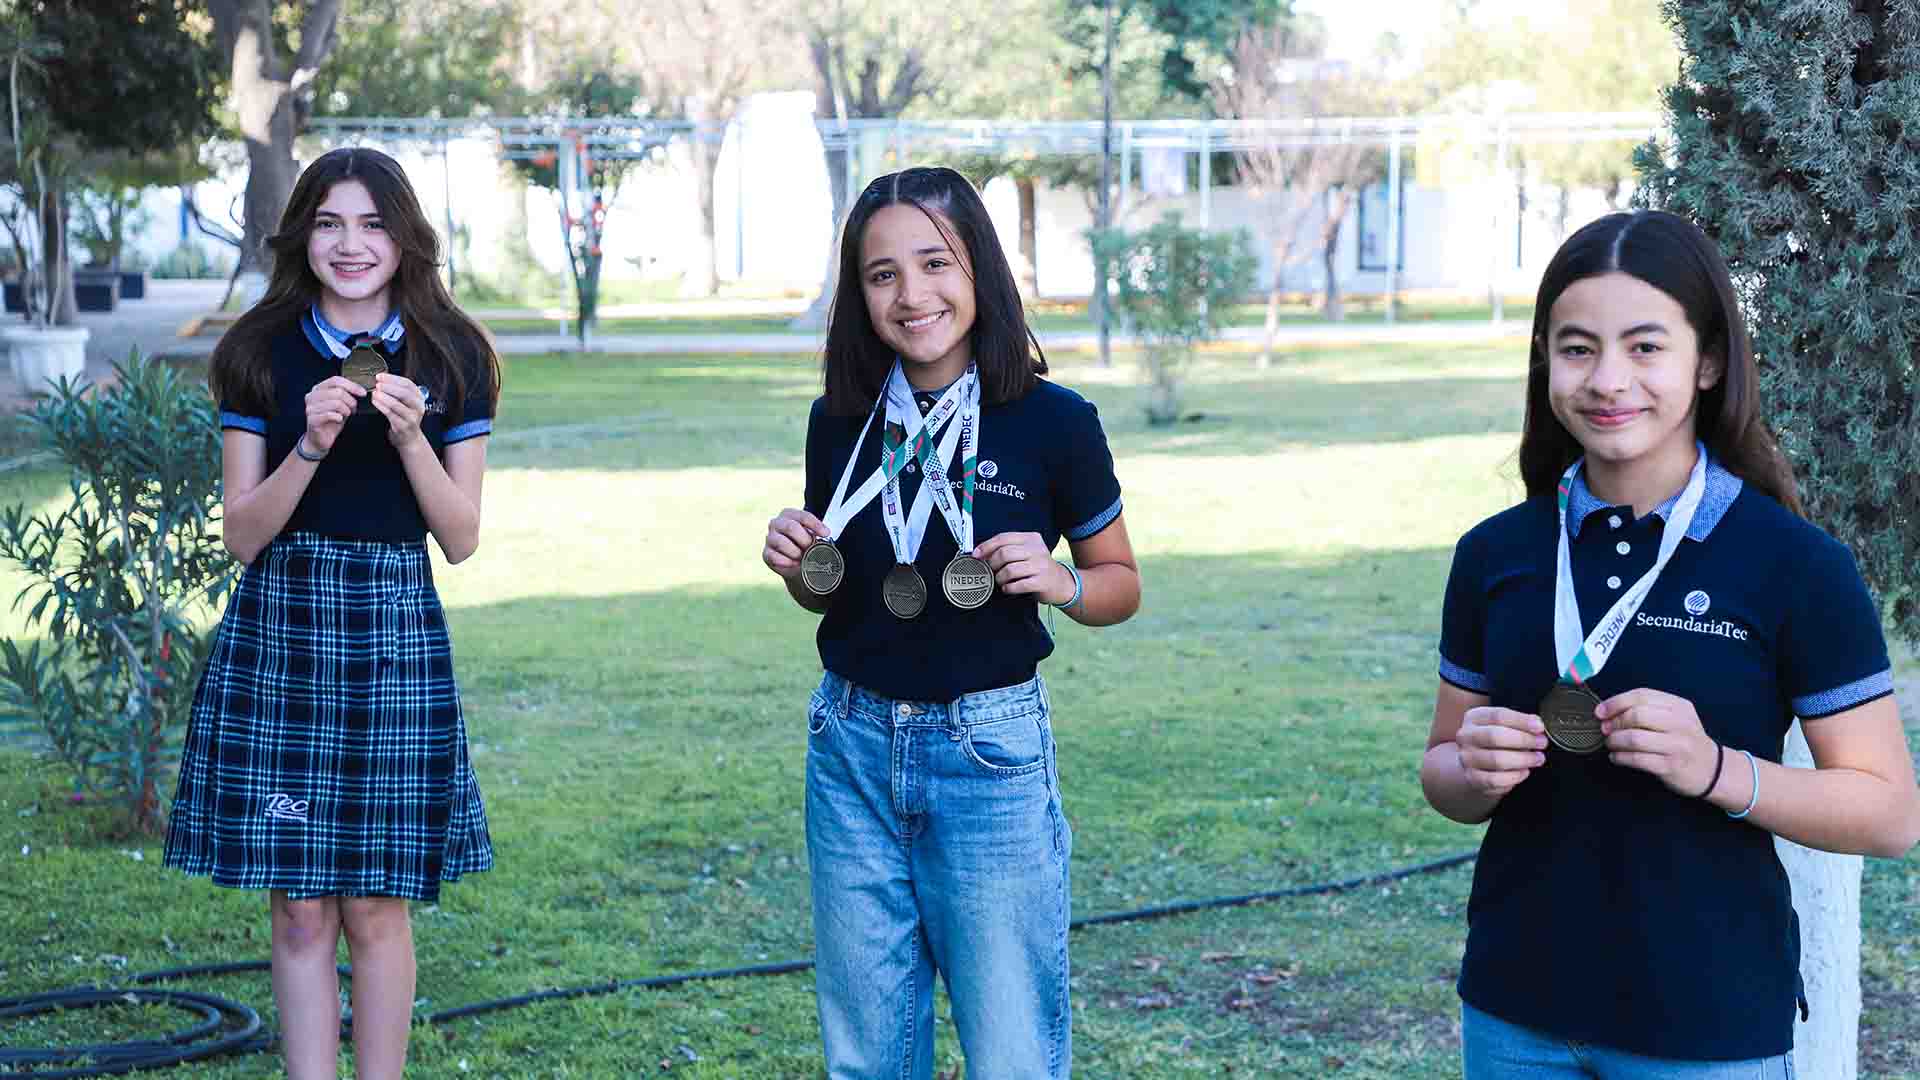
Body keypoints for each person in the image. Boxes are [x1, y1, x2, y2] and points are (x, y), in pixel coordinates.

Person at [1422, 209, 1920, 1077]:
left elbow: (1889, 814)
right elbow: (1443, 776)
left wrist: (1716, 770)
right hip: (1513, 1013)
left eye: (1646, 347)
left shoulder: (1796, 565)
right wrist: (1472, 768)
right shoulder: (1495, 554)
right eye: (1577, 349)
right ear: (1546, 361)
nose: (1609, 378)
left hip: (1707, 1026)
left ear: (1709, 362)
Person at [760, 166, 1141, 1079]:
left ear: (980, 271)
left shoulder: (1056, 422)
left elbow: (1120, 582)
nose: (912, 293)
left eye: (935, 262)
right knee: (867, 1047)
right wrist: (796, 561)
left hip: (987, 753)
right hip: (850, 742)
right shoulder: (840, 421)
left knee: (1011, 1045)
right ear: (859, 294)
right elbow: (834, 587)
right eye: (882, 274)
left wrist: (1060, 582)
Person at [163, 146, 500, 1080]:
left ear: (405, 237)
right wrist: (307, 444)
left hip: (394, 631)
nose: (351, 245)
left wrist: (408, 438)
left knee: (376, 904)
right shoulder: (256, 352)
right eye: (329, 222)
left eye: (372, 224)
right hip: (285, 633)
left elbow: (461, 535)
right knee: (301, 905)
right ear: (302, 233)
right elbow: (242, 534)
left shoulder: (453, 354)